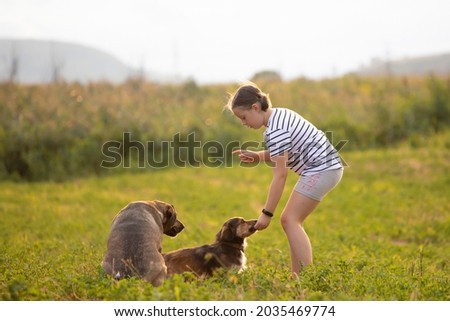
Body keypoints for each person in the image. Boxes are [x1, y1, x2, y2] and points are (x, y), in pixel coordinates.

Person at [227, 82, 343, 276]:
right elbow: (283, 153)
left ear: (255, 108)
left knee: (290, 220)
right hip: (326, 167)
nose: (244, 123)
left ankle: (306, 280)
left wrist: (267, 213)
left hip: (322, 169)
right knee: (291, 220)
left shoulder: (275, 131)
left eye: (244, 117)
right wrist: (257, 156)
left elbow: (280, 175)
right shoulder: (279, 115)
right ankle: (296, 277)